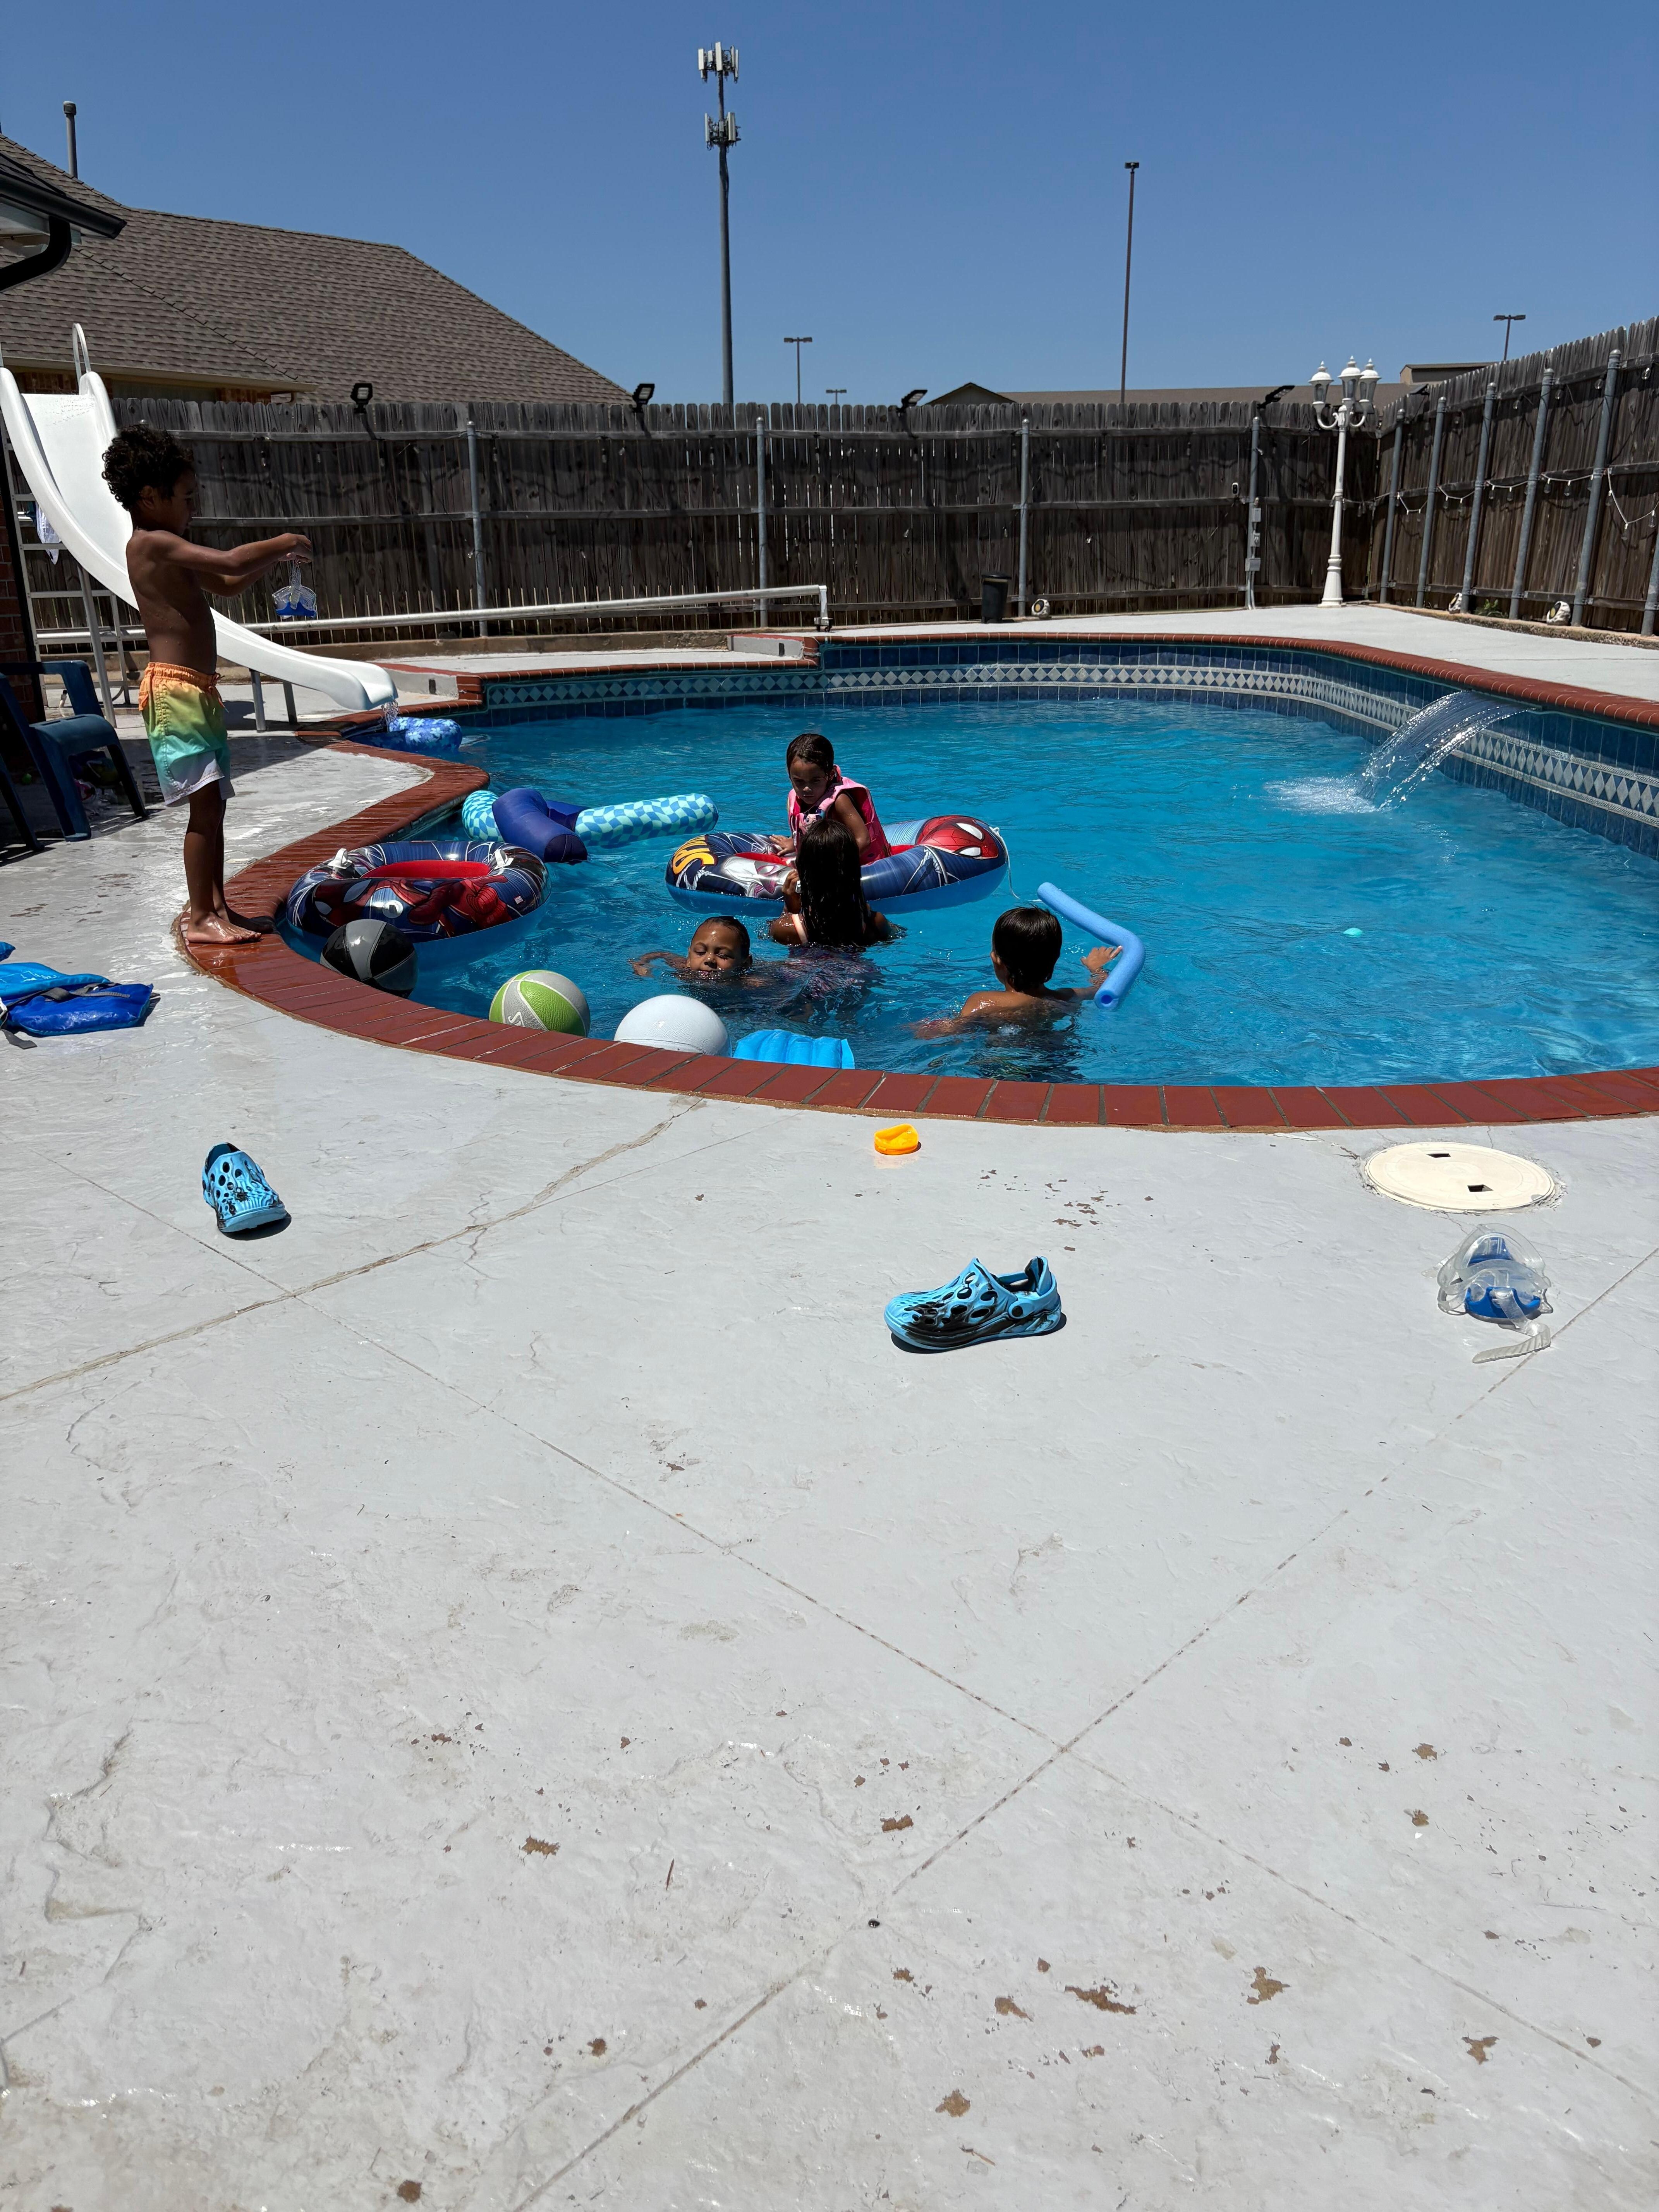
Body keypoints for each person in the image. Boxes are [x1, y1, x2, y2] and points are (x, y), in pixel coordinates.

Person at [101, 426, 313, 945]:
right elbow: (230, 562)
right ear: (150, 496)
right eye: (187, 496)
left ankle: (217, 907)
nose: (193, 507)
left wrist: (273, 563)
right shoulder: (153, 544)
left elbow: (229, 583)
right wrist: (285, 541)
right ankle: (199, 918)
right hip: (175, 694)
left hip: (197, 690)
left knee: (214, 804)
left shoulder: (170, 549)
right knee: (204, 809)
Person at [917, 905, 1118, 1033]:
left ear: (997, 961)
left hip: (1006, 1067)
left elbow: (947, 1032)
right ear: (1055, 960)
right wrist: (1097, 968)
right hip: (1055, 1060)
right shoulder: (1067, 997)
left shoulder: (984, 1002)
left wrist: (921, 1029)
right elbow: (1104, 989)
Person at [769, 814, 893, 949]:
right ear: (854, 870)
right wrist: (862, 908)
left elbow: (771, 934)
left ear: (802, 868)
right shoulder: (875, 924)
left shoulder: (788, 929)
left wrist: (789, 910)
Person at [779, 732, 890, 862]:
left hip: (860, 863)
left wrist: (831, 867)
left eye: (815, 780)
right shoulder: (794, 797)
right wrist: (796, 843)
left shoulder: (839, 801)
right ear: (790, 775)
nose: (806, 788)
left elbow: (863, 840)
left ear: (831, 774)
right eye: (799, 781)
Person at [632, 915, 754, 982]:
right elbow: (662, 955)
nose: (709, 959)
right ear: (689, 958)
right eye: (701, 952)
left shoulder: (748, 984)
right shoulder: (685, 971)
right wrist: (642, 965)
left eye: (723, 955)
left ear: (745, 963)